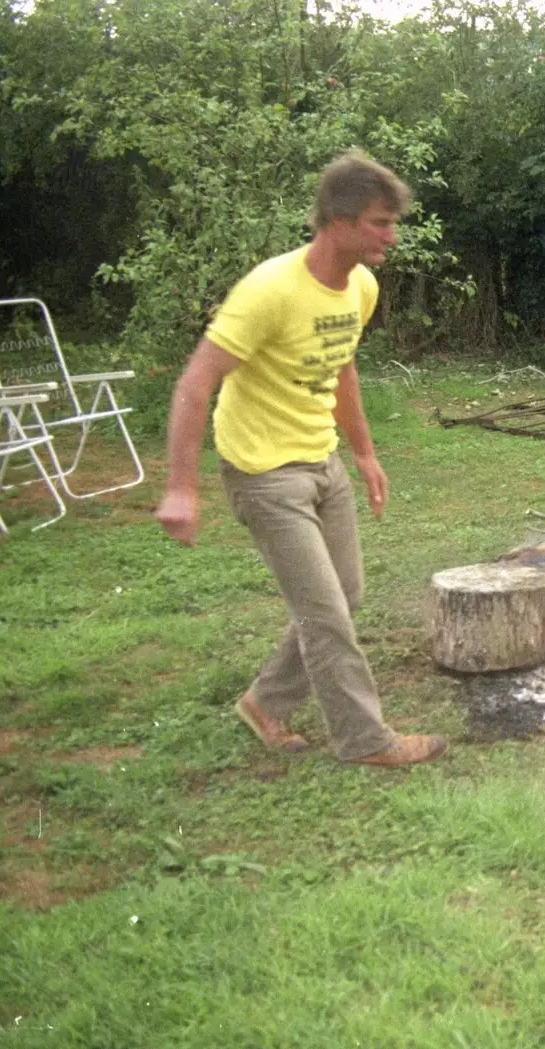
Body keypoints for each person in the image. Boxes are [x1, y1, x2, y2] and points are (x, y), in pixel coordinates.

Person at [154, 151, 447, 767]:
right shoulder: (269, 291)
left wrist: (365, 453)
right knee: (325, 617)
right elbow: (194, 383)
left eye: (393, 223)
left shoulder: (361, 286)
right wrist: (182, 487)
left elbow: (341, 364)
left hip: (322, 459)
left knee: (346, 595)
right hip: (263, 472)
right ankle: (367, 741)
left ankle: (266, 702)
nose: (391, 236)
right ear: (336, 221)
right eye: (379, 222)